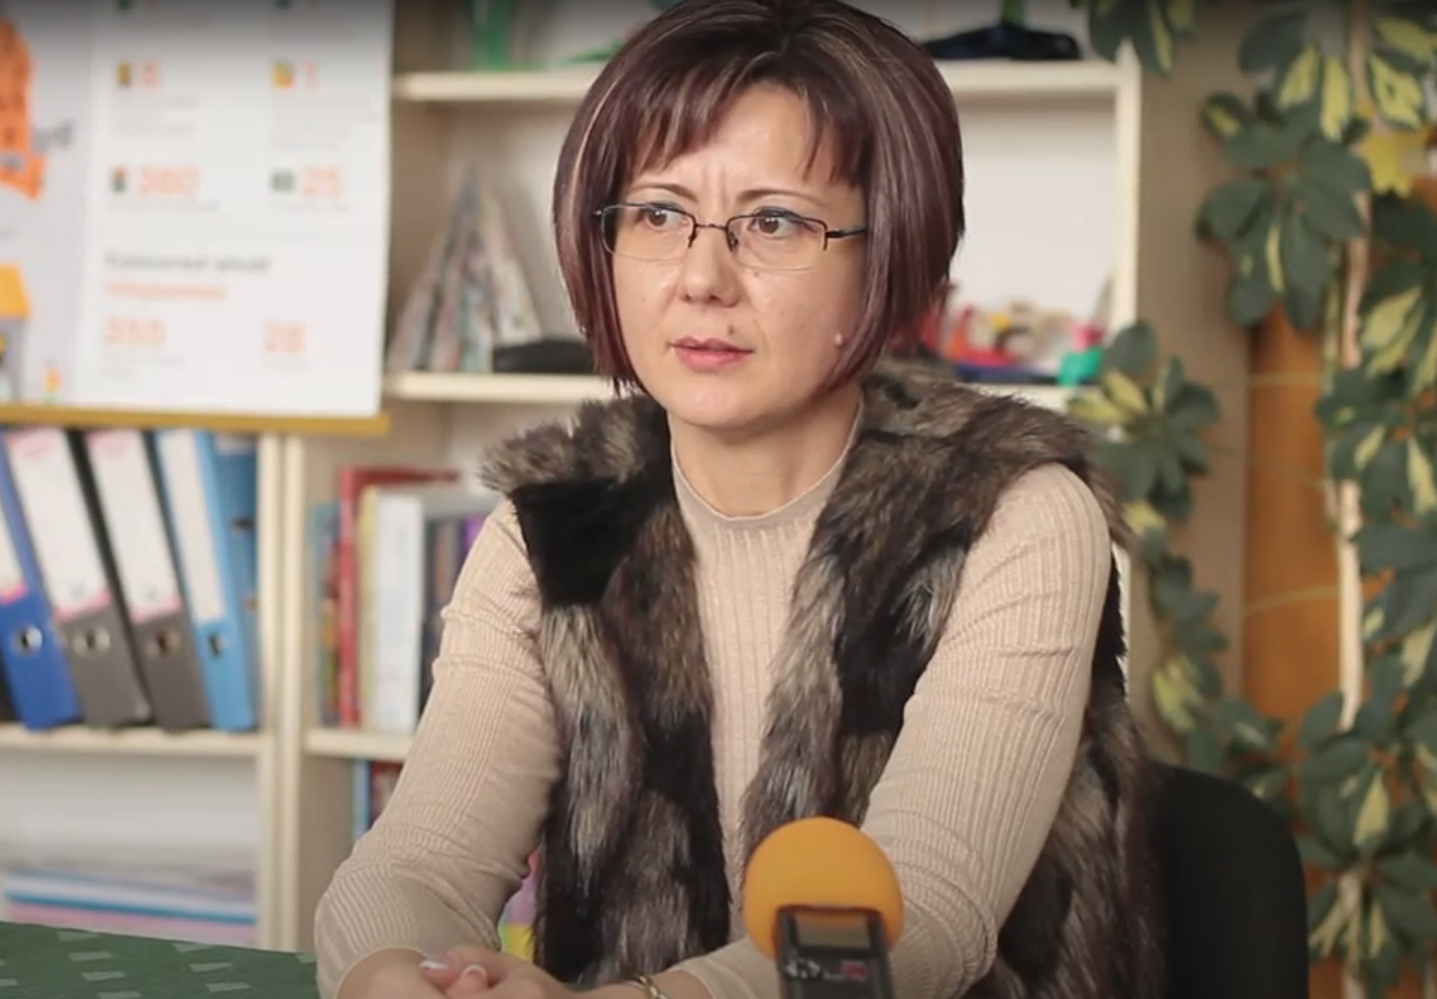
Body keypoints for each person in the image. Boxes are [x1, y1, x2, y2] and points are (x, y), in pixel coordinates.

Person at [314, 1, 1166, 998]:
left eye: (774, 222)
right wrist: (393, 974)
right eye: (658, 214)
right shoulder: (556, 521)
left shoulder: (1009, 512)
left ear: (888, 255)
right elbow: (420, 861)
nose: (702, 278)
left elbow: (926, 916)